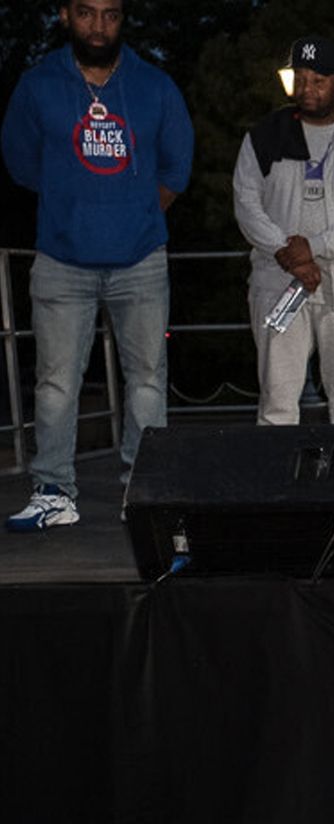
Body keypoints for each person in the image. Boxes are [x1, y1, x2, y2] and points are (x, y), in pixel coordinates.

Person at [2, 0, 190, 532]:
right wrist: (77, 203)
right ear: (65, 16)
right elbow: (20, 161)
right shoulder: (38, 85)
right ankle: (54, 491)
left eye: (110, 14)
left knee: (149, 379)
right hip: (62, 259)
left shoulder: (154, 86)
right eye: (86, 13)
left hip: (142, 260)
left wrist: (130, 214)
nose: (99, 26)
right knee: (56, 383)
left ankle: (146, 486)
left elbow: (178, 166)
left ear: (123, 18)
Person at [233, 36, 334, 428]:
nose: (308, 89)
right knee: (276, 399)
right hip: (279, 285)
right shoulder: (263, 137)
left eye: (319, 79)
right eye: (300, 78)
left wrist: (315, 248)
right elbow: (246, 204)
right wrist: (286, 254)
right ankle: (275, 485)